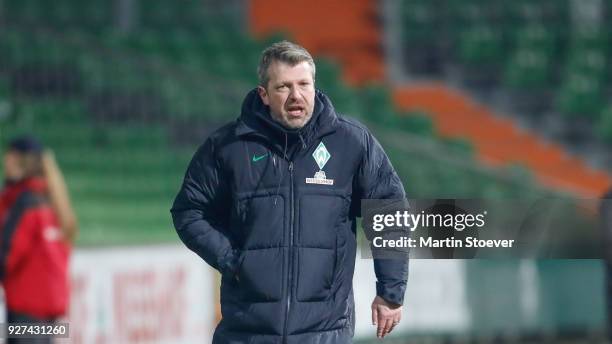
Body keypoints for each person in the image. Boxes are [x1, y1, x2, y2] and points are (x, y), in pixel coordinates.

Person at [171, 40, 408, 343]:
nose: (296, 96)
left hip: (325, 332)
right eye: (283, 87)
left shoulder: (351, 142)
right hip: (247, 332)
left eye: (303, 84)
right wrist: (232, 259)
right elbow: (189, 211)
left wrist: (390, 293)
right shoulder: (227, 147)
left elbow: (390, 211)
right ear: (264, 94)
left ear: (314, 86)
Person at [0, 135, 77, 343]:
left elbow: (7, 254)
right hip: (51, 318)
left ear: (15, 159)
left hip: (26, 317)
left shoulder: (24, 204)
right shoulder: (54, 201)